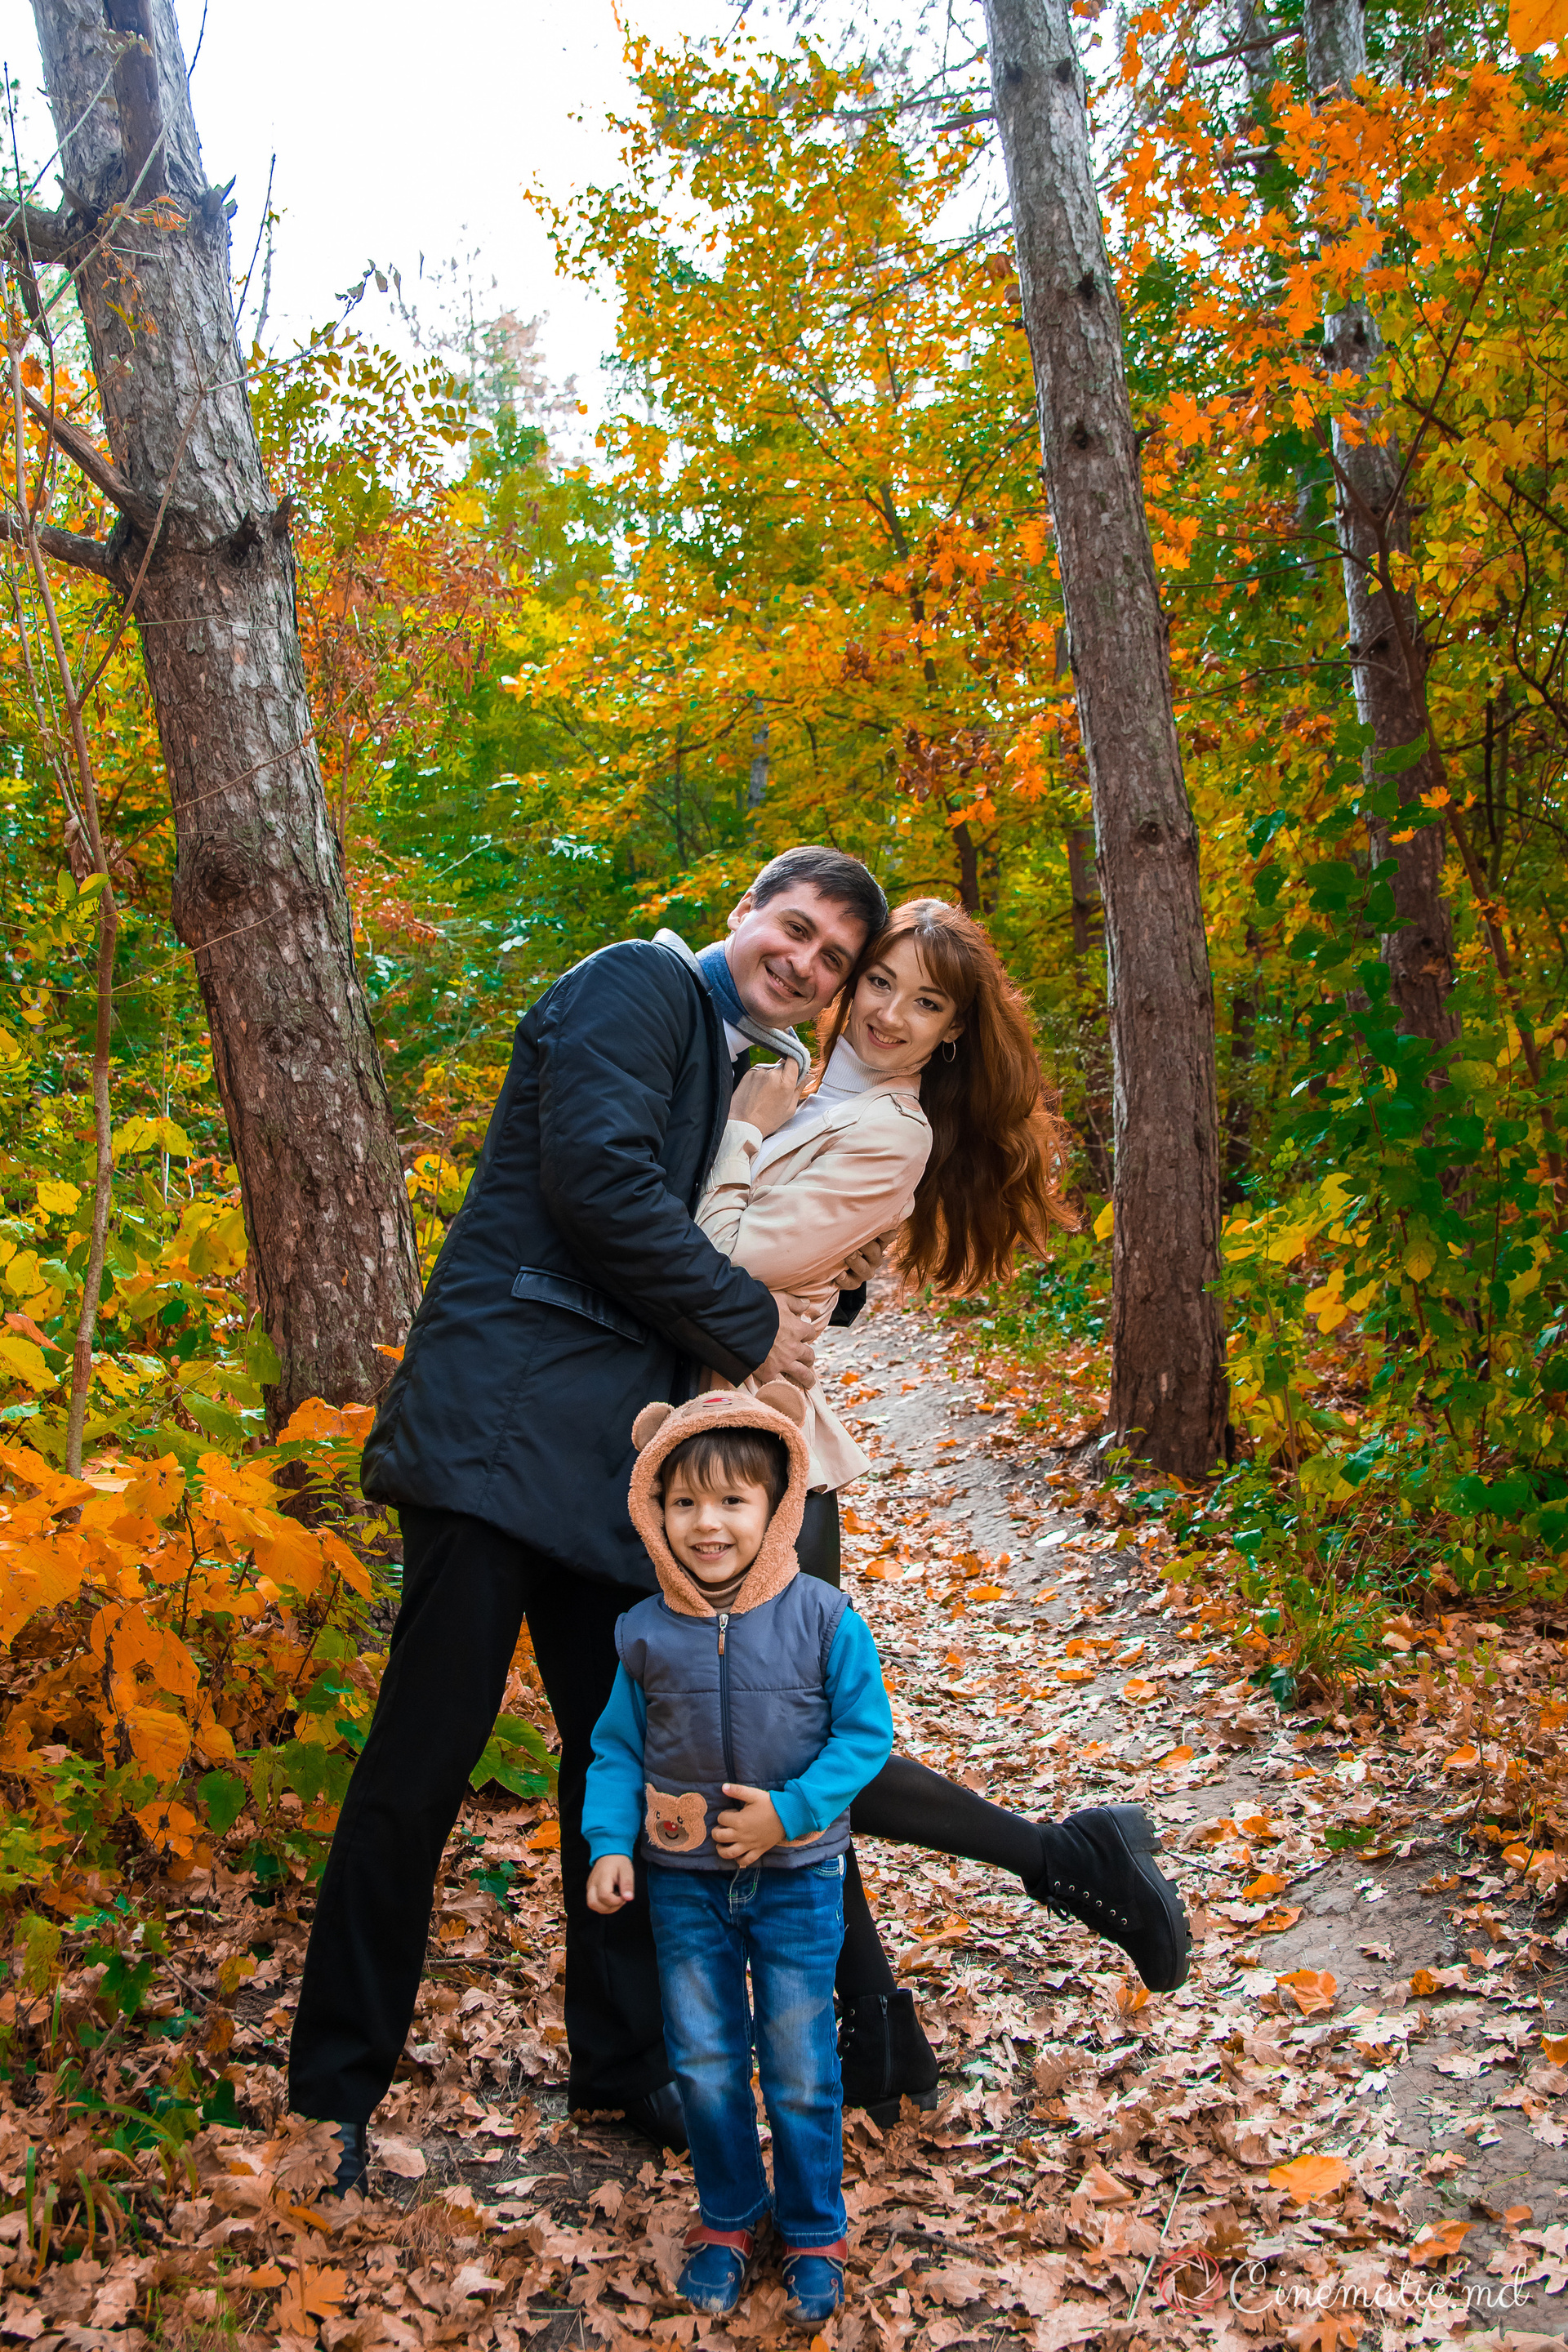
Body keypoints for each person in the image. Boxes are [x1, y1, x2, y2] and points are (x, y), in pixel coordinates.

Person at [291, 845, 889, 2194]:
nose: (804, 963)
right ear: (744, 911)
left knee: (625, 1769)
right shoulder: (637, 986)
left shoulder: (744, 1064)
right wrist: (748, 1328)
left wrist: (833, 1262)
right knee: (422, 1765)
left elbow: (730, 1221)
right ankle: (331, 2091)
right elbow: (599, 1186)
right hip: (500, 1437)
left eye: (833, 960)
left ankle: (622, 2068)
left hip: (607, 1469)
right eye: (794, 928)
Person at [691, 899, 1192, 2114]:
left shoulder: (885, 1131)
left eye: (928, 1004)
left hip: (764, 1465)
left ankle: (1065, 1857)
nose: (892, 1014)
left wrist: (742, 1131)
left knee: (797, 1765)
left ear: (954, 1034)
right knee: (775, 1766)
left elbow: (725, 1256)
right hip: (723, 1446)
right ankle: (880, 2036)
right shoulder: (814, 1085)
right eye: (882, 983)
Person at [584, 1383, 889, 2326]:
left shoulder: (824, 1619)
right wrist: (609, 1843)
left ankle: (814, 2230)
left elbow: (864, 1737)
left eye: (731, 1501)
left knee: (798, 2064)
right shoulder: (644, 1634)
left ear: (777, 1507)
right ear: (654, 1511)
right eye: (684, 1502)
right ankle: (728, 2215)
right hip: (685, 1887)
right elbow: (616, 1750)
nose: (706, 1523)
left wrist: (789, 1814)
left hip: (797, 1881)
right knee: (707, 2062)